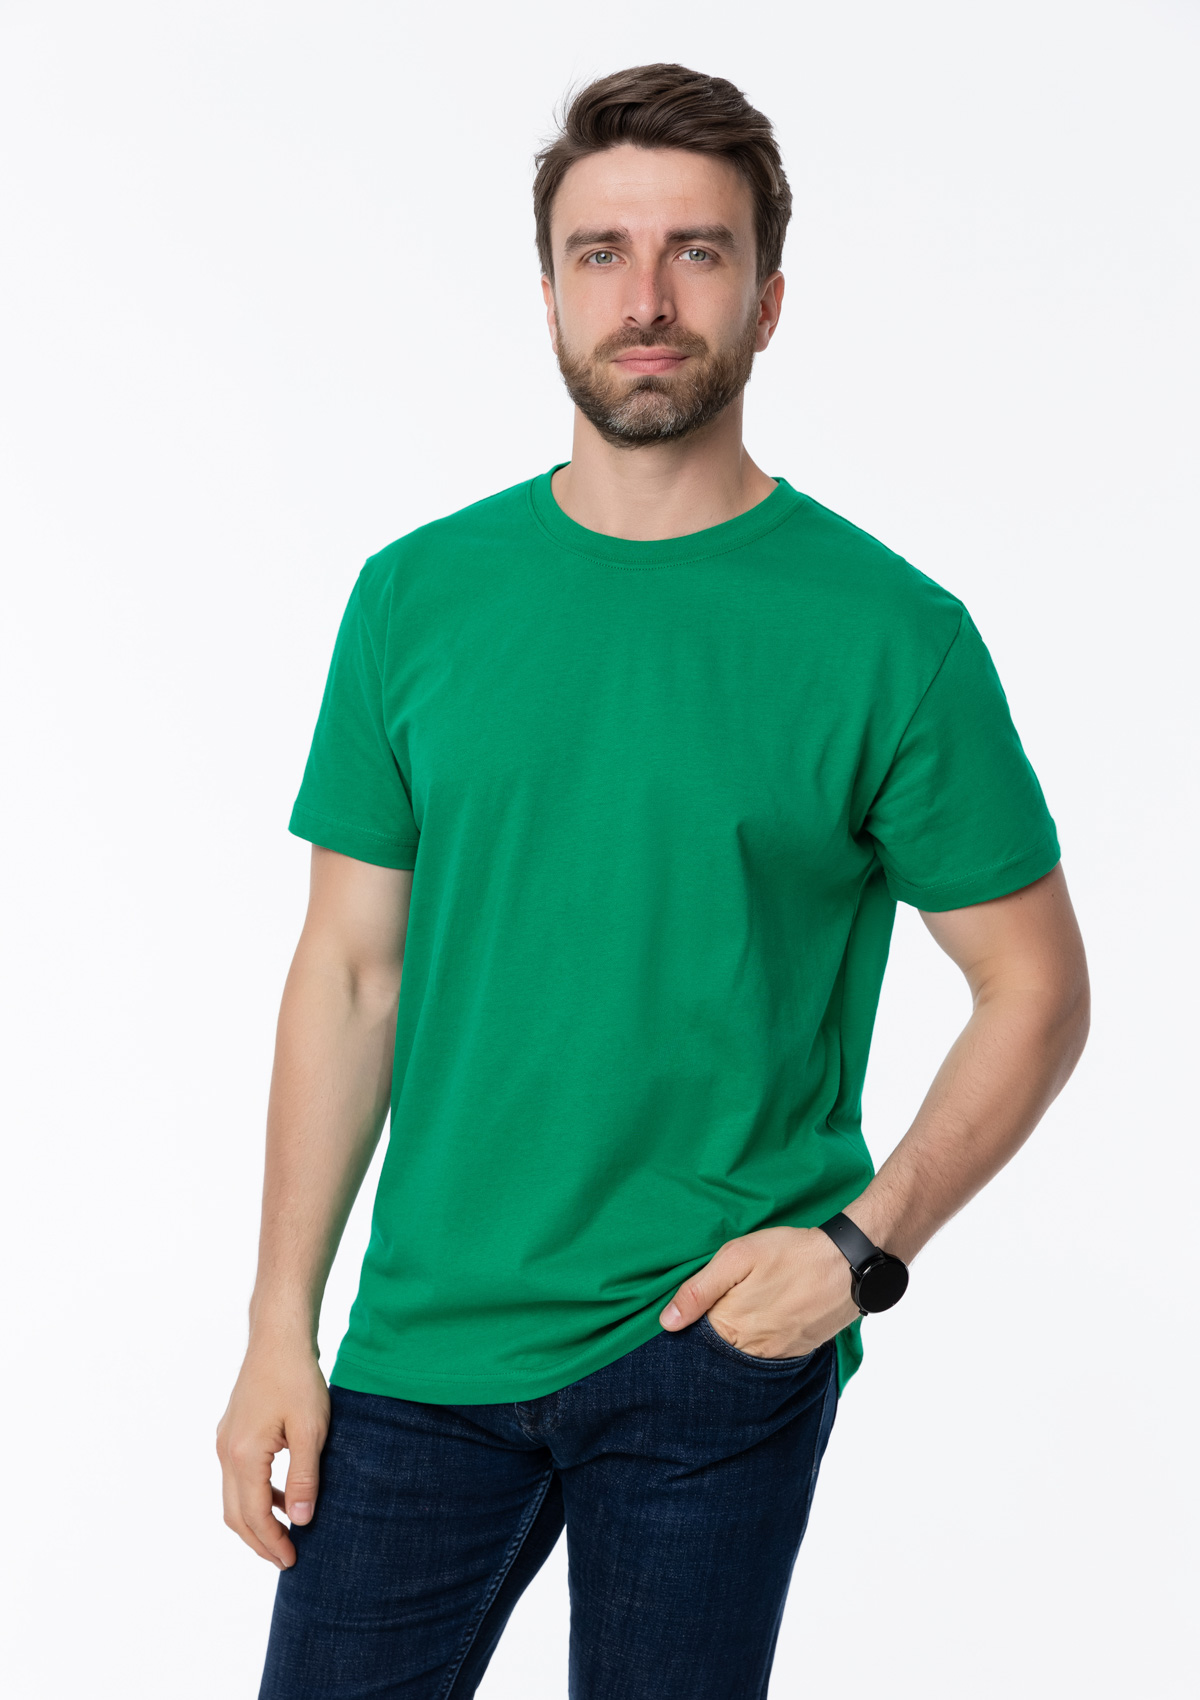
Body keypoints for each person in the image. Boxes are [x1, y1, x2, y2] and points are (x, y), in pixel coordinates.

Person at [217, 62, 1090, 1700]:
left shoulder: (891, 636)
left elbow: (1035, 986)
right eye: (601, 252)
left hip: (710, 1340)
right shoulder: (415, 600)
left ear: (768, 300)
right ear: (549, 290)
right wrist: (281, 1323)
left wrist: (861, 1250)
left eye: (698, 251)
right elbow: (349, 976)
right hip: (424, 1341)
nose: (647, 298)